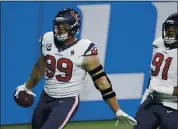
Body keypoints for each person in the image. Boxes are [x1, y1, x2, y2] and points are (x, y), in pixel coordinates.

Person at [14, 8, 137, 129]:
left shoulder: (84, 49)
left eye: (65, 25)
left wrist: (117, 110)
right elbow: (41, 66)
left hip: (67, 100)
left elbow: (102, 83)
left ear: (74, 27)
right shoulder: (47, 39)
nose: (60, 28)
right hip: (46, 96)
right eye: (58, 25)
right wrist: (27, 86)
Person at [133, 13, 178, 129]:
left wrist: (163, 90)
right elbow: (154, 76)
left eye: (173, 31)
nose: (169, 33)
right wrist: (145, 97)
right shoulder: (159, 43)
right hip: (152, 102)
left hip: (174, 107)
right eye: (168, 30)